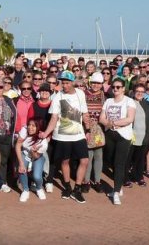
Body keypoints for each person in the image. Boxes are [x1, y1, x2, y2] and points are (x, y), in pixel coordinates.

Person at [40, 71, 90, 204]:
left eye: (67, 83)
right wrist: (45, 133)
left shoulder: (80, 94)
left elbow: (85, 113)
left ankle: (77, 189)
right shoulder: (57, 97)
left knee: (84, 160)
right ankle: (67, 187)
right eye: (63, 83)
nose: (65, 85)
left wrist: (88, 129)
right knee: (65, 161)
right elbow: (54, 118)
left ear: (73, 82)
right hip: (62, 135)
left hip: (79, 134)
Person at [99, 78, 136, 205]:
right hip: (110, 134)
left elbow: (129, 118)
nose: (115, 89)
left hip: (124, 136)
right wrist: (110, 124)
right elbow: (102, 118)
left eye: (118, 87)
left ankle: (116, 192)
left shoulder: (129, 101)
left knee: (119, 163)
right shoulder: (108, 101)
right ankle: (118, 186)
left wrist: (112, 123)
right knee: (110, 160)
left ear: (123, 89)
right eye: (114, 87)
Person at [124, 84, 149, 188]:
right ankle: (125, 178)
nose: (140, 93)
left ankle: (138, 177)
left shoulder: (147, 104)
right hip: (131, 136)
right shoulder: (128, 103)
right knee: (127, 159)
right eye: (137, 90)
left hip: (144, 136)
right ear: (133, 91)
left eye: (142, 91)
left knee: (140, 159)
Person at [82, 72, 105, 194]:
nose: (96, 85)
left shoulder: (103, 95)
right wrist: (86, 129)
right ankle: (86, 181)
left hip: (99, 129)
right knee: (88, 156)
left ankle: (97, 181)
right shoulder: (84, 94)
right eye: (94, 82)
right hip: (87, 128)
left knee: (99, 156)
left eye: (99, 83)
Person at [16, 119, 49, 202]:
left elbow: (36, 156)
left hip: (37, 157)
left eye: (33, 126)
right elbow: (18, 145)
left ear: (39, 127)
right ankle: (25, 190)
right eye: (29, 125)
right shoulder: (24, 130)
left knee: (37, 176)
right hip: (25, 154)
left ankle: (38, 188)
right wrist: (21, 163)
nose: (30, 127)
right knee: (21, 169)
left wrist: (33, 151)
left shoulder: (43, 141)